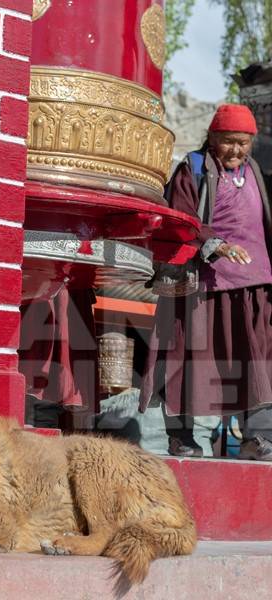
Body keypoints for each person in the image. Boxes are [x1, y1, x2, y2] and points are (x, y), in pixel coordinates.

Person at [139, 104, 272, 460]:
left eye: (243, 143)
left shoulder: (255, 171)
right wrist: (218, 245)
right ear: (212, 138)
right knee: (188, 359)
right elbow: (181, 219)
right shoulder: (192, 169)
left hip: (253, 287)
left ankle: (258, 439)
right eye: (229, 142)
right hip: (202, 284)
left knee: (257, 360)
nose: (236, 150)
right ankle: (181, 438)